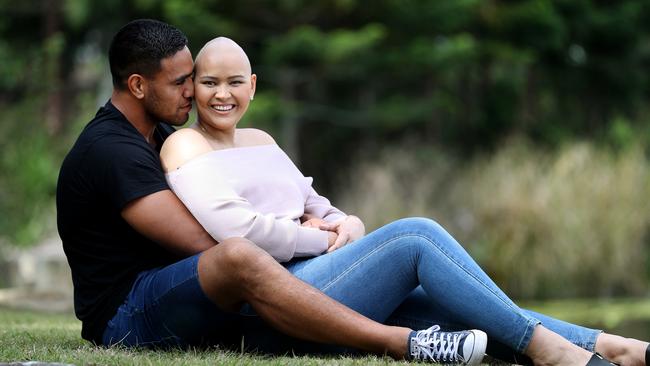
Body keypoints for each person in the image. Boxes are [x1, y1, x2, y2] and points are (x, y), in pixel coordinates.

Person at [158, 36, 650, 366]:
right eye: (209, 82)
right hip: (282, 292)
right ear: (193, 87)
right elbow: (241, 233)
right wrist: (320, 235)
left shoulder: (262, 139)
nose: (223, 95)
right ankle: (548, 351)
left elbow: (317, 202)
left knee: (459, 303)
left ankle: (614, 347)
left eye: (235, 82)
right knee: (415, 234)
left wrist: (346, 224)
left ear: (253, 86)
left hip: (326, 272)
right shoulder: (184, 145)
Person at [56, 18, 497, 366]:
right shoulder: (110, 150)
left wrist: (324, 224)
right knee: (236, 253)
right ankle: (403, 345)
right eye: (179, 82)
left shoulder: (161, 134)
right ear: (137, 85)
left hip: (190, 297)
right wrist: (314, 237)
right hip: (127, 315)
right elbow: (203, 242)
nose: (193, 91)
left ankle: (559, 342)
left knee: (428, 301)